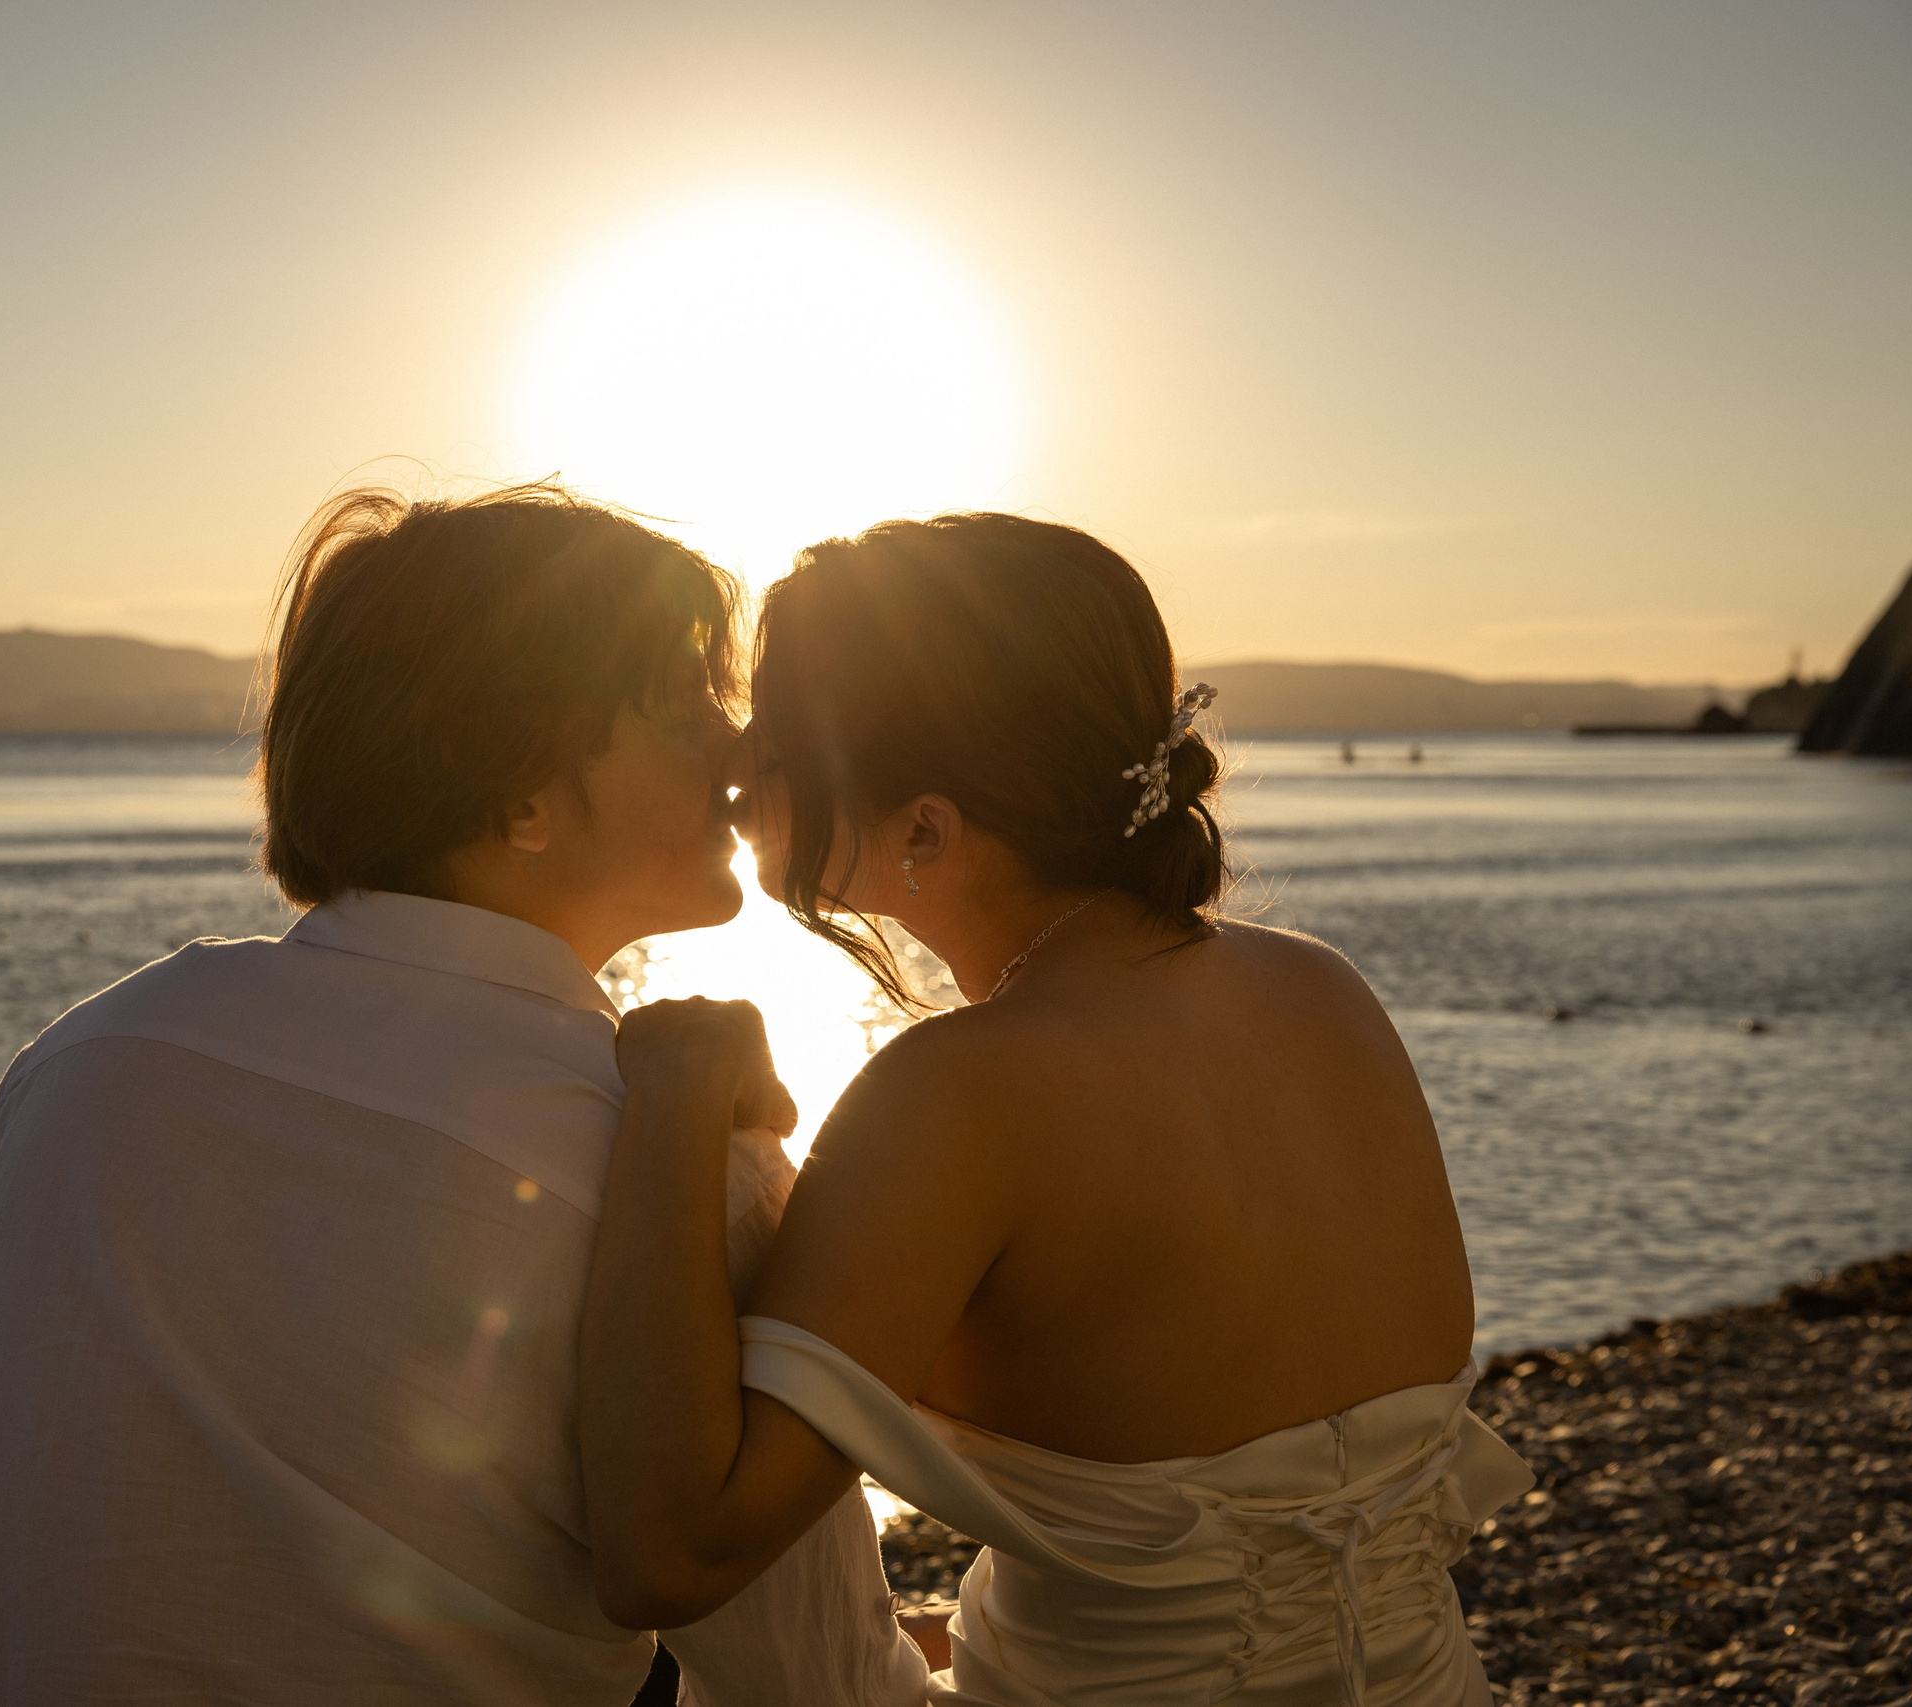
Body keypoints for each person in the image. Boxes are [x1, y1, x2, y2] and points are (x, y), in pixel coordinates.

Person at [0, 484, 927, 1705]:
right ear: (520, 796)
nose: (741, 742)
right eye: (683, 701)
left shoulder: (84, 1061)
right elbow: (820, 1682)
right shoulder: (679, 1170)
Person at [578, 514, 1532, 1705]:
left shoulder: (962, 1092)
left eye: (775, 732)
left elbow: (670, 1555)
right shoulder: (1319, 988)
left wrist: (669, 1097)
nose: (735, 758)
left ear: (926, 828)